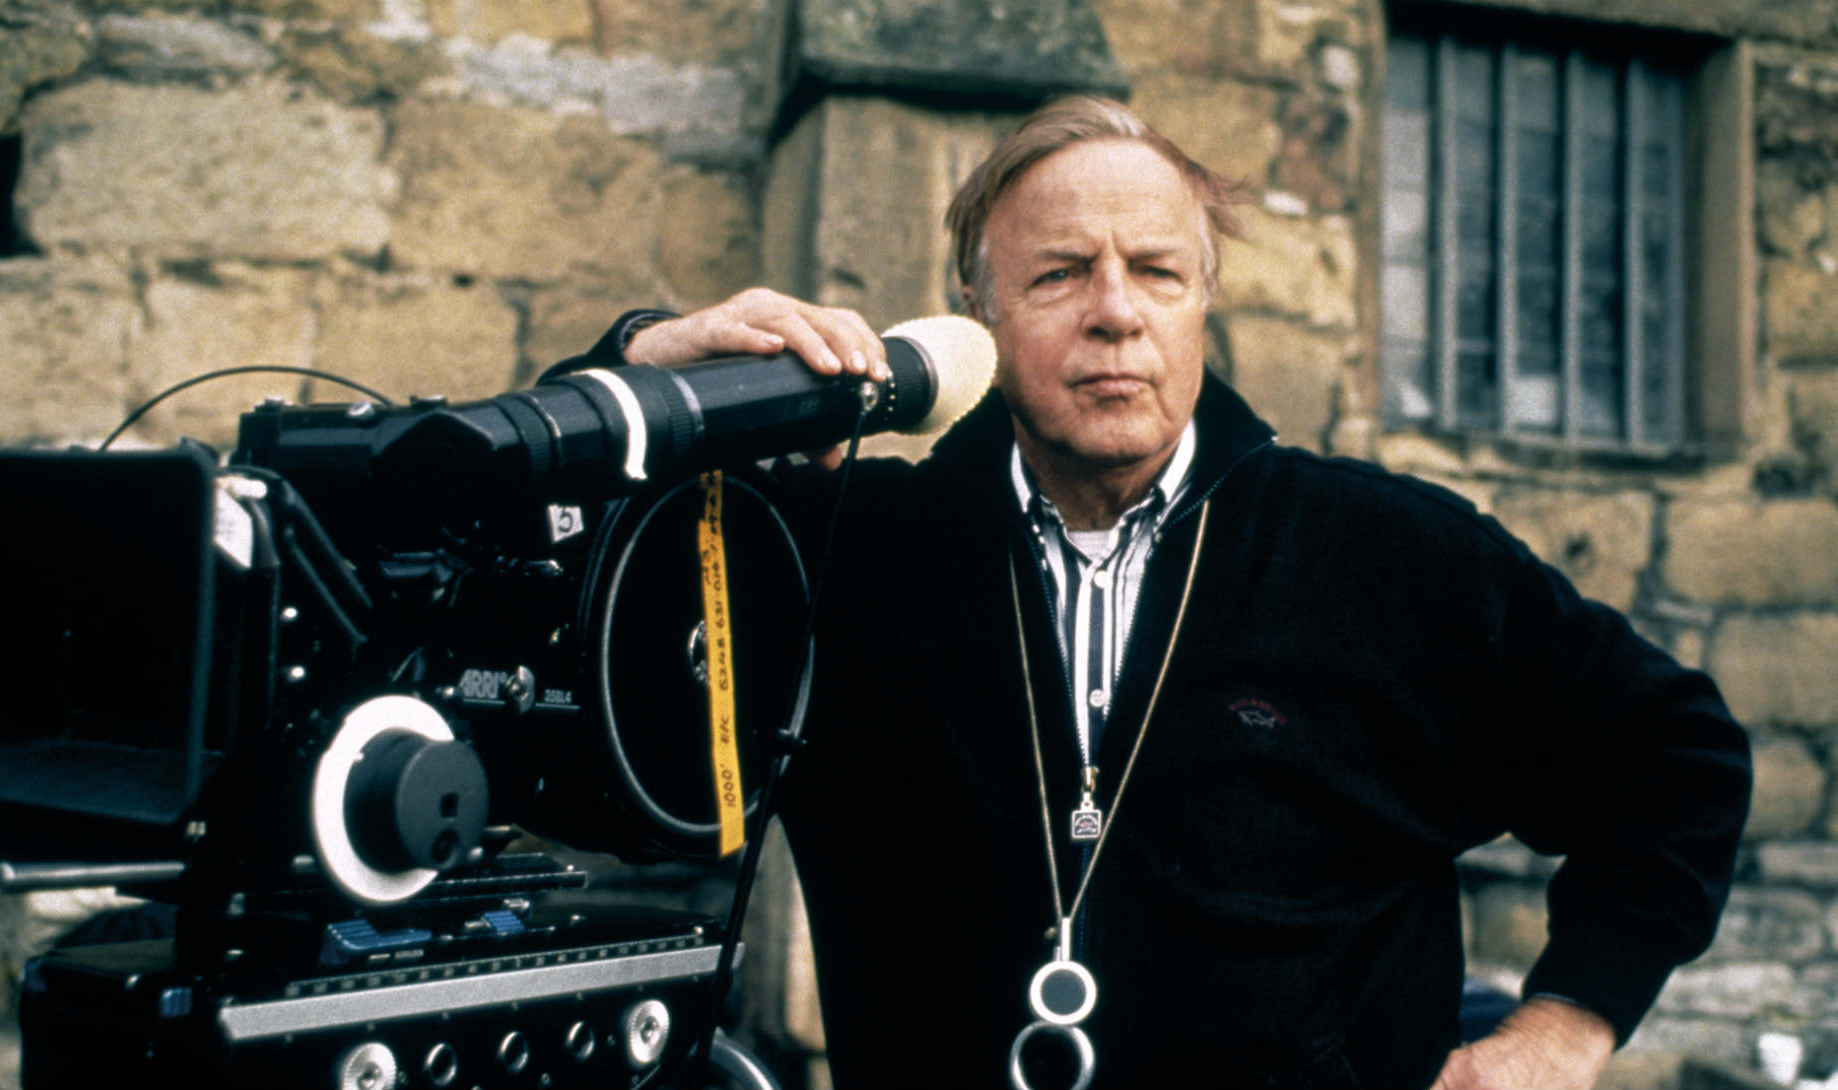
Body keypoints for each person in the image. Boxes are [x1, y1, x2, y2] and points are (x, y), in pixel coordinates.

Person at [548, 96, 1751, 1088]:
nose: (1115, 311)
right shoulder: (844, 547)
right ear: (983, 310)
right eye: (1061, 273)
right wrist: (637, 366)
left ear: (1204, 298)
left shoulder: (1390, 553)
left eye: (1157, 272)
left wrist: (1560, 1032)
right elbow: (523, 591)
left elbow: (1681, 755)